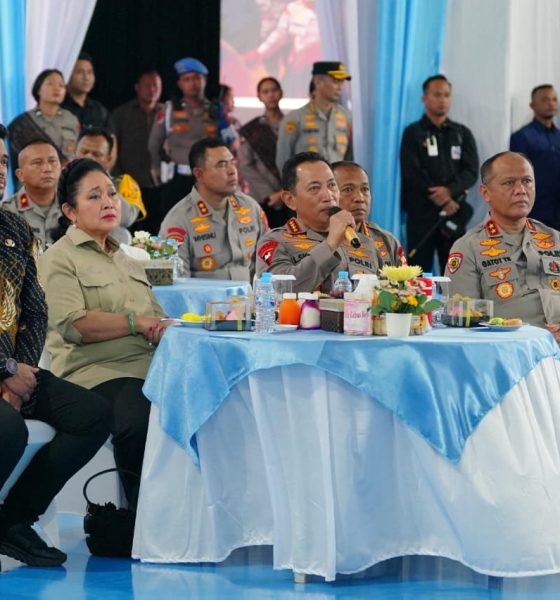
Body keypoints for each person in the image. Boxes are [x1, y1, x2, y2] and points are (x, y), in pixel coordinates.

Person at [0, 124, 110, 567]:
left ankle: (14, 520)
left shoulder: (13, 227)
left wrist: (20, 373)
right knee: (8, 429)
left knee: (92, 415)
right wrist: (5, 370)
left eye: (2, 162)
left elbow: (35, 309)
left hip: (12, 370)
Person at [38, 158, 170, 506]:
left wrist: (169, 326)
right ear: (70, 211)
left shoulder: (127, 258)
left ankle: (185, 517)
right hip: (96, 374)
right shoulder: (59, 258)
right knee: (140, 418)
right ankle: (139, 520)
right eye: (94, 196)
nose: (109, 202)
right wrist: (135, 323)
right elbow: (74, 325)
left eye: (112, 194)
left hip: (149, 368)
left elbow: (155, 317)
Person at [445, 151, 560, 340]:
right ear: (485, 193)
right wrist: (536, 338)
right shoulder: (468, 248)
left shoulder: (555, 239)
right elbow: (461, 325)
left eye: (527, 181)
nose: (520, 190)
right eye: (509, 183)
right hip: (510, 351)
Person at [256, 152, 381, 293]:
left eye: (332, 185)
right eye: (314, 188)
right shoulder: (275, 242)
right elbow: (277, 291)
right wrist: (330, 245)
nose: (328, 196)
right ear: (290, 200)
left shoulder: (362, 241)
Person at [400, 74, 479, 274]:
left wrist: (449, 192)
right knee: (418, 274)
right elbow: (411, 171)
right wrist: (440, 196)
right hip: (421, 214)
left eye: (446, 95)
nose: (442, 100)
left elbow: (471, 171)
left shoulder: (462, 133)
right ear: (424, 98)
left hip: (453, 212)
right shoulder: (413, 133)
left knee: (455, 273)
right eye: (437, 95)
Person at [159, 138, 267, 281]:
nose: (232, 171)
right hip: (203, 296)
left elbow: (267, 261)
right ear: (199, 174)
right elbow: (176, 282)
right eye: (222, 165)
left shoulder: (250, 208)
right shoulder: (178, 220)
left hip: (251, 294)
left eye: (233, 163)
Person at [148, 57, 220, 219]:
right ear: (180, 84)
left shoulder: (215, 111)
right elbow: (154, 143)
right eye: (187, 79)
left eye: (197, 78)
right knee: (174, 224)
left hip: (208, 180)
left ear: (205, 80)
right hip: (177, 179)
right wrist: (156, 169)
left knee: (208, 224)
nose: (193, 83)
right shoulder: (169, 110)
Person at [276, 61, 353, 173]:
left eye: (342, 82)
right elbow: (283, 161)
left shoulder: (347, 118)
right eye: (335, 81)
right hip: (306, 182)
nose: (340, 87)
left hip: (337, 182)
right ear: (318, 81)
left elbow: (349, 159)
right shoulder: (294, 119)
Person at [112, 70, 164, 234]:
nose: (152, 89)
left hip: (161, 186)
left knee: (158, 234)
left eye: (156, 85)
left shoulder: (167, 114)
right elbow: (112, 149)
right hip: (129, 187)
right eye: (147, 85)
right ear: (137, 88)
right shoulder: (121, 114)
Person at [238, 77, 293, 228]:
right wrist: (271, 194)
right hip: (264, 199)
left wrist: (285, 192)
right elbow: (245, 165)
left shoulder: (293, 124)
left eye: (274, 90)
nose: (270, 95)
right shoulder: (251, 129)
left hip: (292, 196)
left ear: (281, 93)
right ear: (259, 96)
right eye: (265, 91)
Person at [75, 127, 145, 243]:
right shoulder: (58, 181)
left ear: (108, 159)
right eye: (84, 152)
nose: (89, 157)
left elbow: (126, 219)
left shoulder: (123, 183)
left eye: (96, 154)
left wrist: (100, 182)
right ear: (75, 153)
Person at [7, 69, 80, 181]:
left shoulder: (71, 120)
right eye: (50, 84)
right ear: (38, 89)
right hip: (31, 183)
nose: (57, 88)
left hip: (65, 182)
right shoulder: (22, 123)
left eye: (61, 85)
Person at [332, 160, 405, 267]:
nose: (360, 198)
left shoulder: (388, 241)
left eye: (365, 189)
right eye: (348, 189)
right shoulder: (316, 240)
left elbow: (404, 277)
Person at [510, 84, 560, 230]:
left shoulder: (558, 136)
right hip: (537, 211)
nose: (551, 103)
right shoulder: (522, 137)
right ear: (532, 105)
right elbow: (518, 176)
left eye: (554, 99)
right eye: (545, 99)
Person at [1, 141, 62, 249]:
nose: (47, 169)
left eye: (53, 161)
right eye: (37, 163)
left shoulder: (72, 207)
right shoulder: (7, 210)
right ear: (20, 174)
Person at [62, 53, 112, 131]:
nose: (86, 77)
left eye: (89, 72)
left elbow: (110, 135)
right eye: (79, 72)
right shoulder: (59, 107)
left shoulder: (99, 109)